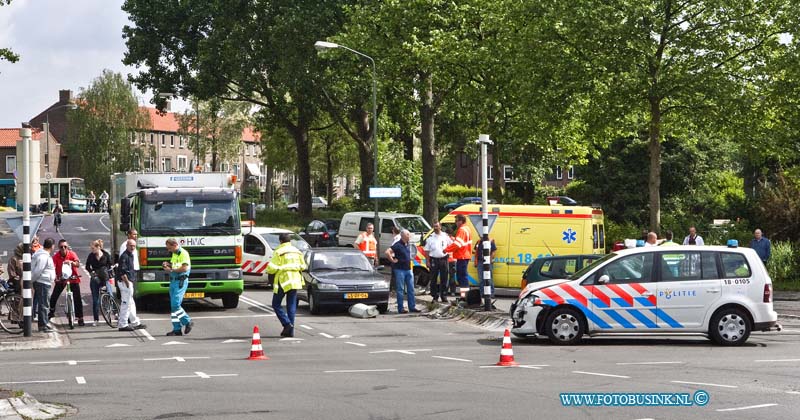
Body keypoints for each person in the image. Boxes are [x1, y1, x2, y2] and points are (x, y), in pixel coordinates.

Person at [266, 232, 307, 337]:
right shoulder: (297, 252)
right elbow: (303, 266)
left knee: (276, 304)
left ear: (280, 241)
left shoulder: (278, 252)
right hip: (295, 281)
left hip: (283, 281)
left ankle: (287, 324)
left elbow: (271, 268)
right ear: (290, 241)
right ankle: (290, 332)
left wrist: (274, 269)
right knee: (291, 305)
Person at [49, 239, 85, 326]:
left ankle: (80, 318)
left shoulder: (71, 254)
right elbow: (52, 268)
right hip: (62, 279)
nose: (64, 248)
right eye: (61, 247)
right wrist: (55, 278)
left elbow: (77, 263)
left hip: (72, 278)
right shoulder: (56, 256)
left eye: (65, 247)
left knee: (77, 298)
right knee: (54, 296)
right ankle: (51, 311)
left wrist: (71, 262)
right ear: (59, 248)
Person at [163, 238, 193, 336]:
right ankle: (176, 329)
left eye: (169, 248)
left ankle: (187, 322)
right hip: (173, 281)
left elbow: (184, 268)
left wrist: (171, 270)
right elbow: (175, 265)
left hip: (180, 281)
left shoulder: (183, 253)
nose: (168, 250)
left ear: (174, 245)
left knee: (175, 305)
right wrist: (168, 264)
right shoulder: (175, 254)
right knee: (173, 306)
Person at [386, 229, 420, 314]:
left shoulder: (408, 244)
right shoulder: (397, 245)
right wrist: (392, 260)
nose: (409, 236)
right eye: (408, 235)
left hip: (408, 269)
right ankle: (400, 308)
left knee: (411, 289)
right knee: (400, 289)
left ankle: (412, 307)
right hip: (400, 270)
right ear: (403, 236)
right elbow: (387, 252)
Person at [118, 239, 146, 331]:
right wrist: (127, 284)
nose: (132, 247)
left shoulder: (131, 255)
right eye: (131, 245)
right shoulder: (124, 256)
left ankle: (135, 322)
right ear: (127, 246)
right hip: (125, 282)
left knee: (131, 302)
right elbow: (122, 272)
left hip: (129, 281)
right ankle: (123, 324)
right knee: (126, 303)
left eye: (134, 246)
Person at [444, 214, 473, 301]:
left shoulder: (461, 230)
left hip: (462, 256)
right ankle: (465, 296)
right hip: (465, 255)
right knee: (463, 276)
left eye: (456, 221)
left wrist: (446, 249)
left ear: (461, 221)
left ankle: (464, 297)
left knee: (462, 277)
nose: (455, 223)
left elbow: (457, 244)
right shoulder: (467, 229)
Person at [85, 239, 113, 327]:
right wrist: (92, 272)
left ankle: (112, 313)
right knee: (95, 300)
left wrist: (108, 271)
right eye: (91, 248)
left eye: (93, 248)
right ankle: (96, 319)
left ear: (98, 247)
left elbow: (110, 264)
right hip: (95, 278)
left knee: (110, 295)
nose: (92, 250)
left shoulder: (105, 254)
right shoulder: (91, 256)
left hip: (105, 278)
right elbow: (87, 266)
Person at [31, 238, 56, 333]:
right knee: (44, 304)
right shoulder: (43, 256)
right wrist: (32, 280)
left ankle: (44, 323)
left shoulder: (42, 254)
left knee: (44, 303)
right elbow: (38, 270)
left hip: (44, 282)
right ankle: (42, 325)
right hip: (42, 282)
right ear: (52, 246)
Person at [423, 222, 452, 303]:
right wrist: (427, 261)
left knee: (444, 278)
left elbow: (451, 245)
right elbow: (427, 251)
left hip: (443, 259)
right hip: (434, 260)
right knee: (433, 279)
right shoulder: (430, 238)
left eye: (437, 226)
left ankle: (444, 296)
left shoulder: (445, 236)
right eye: (434, 226)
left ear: (440, 227)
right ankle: (435, 296)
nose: (435, 228)